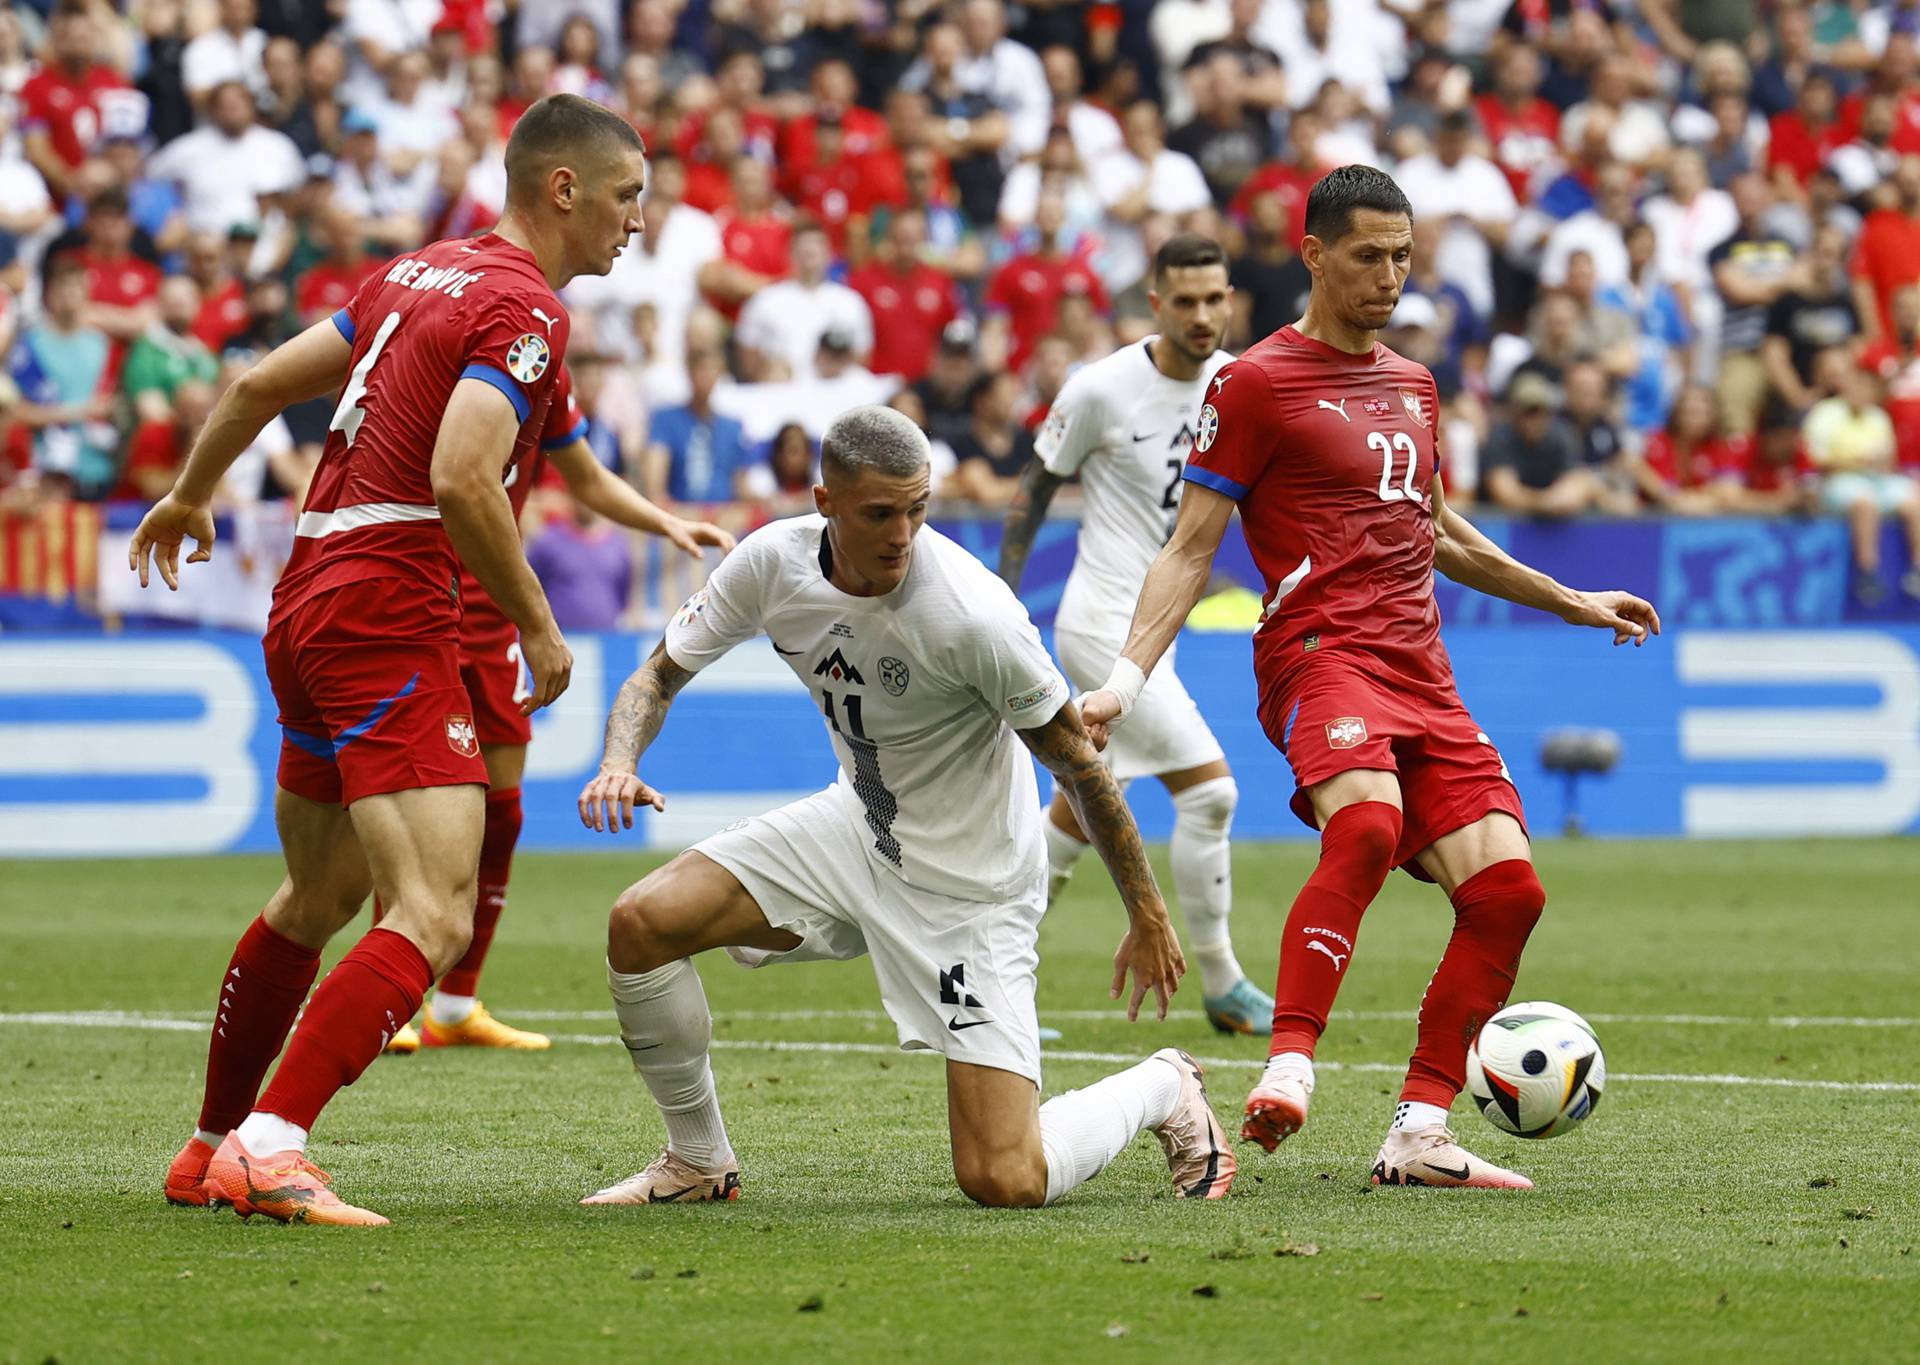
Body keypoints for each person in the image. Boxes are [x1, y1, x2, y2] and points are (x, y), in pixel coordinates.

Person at [1081, 166, 1661, 1189]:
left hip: (1420, 670)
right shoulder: (1254, 382)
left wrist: (1571, 599)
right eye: (1367, 256)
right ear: (1312, 254)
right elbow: (1188, 548)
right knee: (1368, 826)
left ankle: (1420, 1130)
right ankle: (1290, 1061)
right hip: (1319, 653)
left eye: (1402, 256)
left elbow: (1437, 532)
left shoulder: (1414, 384)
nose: (1389, 276)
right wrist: (1125, 683)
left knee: (1509, 891)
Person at [131, 94, 648, 1226]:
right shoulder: (521, 306)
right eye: (625, 197)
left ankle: (209, 1146)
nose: (636, 223)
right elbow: (466, 477)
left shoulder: (417, 274)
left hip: (309, 596)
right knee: (433, 910)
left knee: (317, 894)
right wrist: (538, 623)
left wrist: (189, 494)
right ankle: (273, 1147)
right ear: (563, 190)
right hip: (389, 609)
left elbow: (256, 385)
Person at [574, 405, 1232, 1209]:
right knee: (641, 922)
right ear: (825, 502)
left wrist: (1148, 911)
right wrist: (617, 760)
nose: (902, 534)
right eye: (880, 513)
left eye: (918, 509)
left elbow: (1084, 770)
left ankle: (1164, 1085)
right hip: (855, 831)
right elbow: (654, 677)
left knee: (1004, 1177)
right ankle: (698, 1161)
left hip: (971, 888)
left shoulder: (972, 614)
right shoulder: (769, 563)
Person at [379, 367, 735, 1054]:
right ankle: (392, 994)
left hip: (493, 610)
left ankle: (454, 1005)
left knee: (501, 809)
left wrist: (661, 520)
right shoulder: (453, 352)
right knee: (408, 798)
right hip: (416, 596)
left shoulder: (543, 369)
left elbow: (589, 478)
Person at [997, 232, 1273, 1036]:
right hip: (1104, 625)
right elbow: (1036, 485)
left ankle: (989, 977)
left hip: (1164, 624)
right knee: (1212, 791)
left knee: (1079, 811)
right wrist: (1006, 594)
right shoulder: (1101, 389)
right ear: (1155, 304)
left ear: (1232, 300)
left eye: (1213, 299)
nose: (1200, 315)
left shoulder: (1239, 384)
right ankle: (1222, 981)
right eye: (1183, 301)